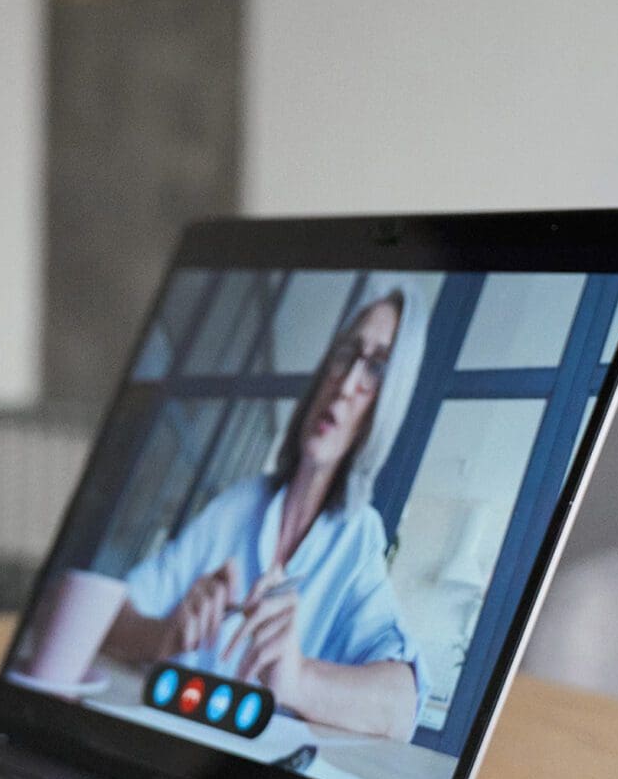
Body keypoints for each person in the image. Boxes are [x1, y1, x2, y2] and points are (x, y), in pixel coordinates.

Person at [100, 282, 429, 740]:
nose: (347, 384)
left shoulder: (358, 538)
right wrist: (165, 636)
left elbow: (401, 707)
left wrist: (297, 679)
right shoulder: (236, 505)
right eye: (345, 355)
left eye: (375, 368)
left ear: (388, 402)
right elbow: (112, 615)